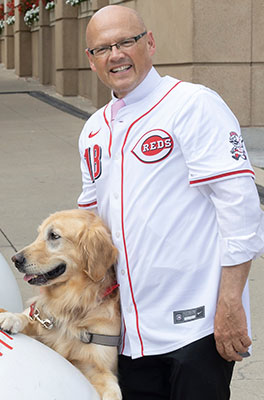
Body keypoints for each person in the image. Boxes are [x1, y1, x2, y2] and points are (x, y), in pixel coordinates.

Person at [77, 5, 264, 399]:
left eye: (126, 41)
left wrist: (231, 303)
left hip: (196, 327)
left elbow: (240, 208)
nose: (116, 55)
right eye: (103, 48)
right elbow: (90, 224)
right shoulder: (94, 130)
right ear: (91, 61)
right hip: (126, 331)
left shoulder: (193, 105)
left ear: (150, 43)